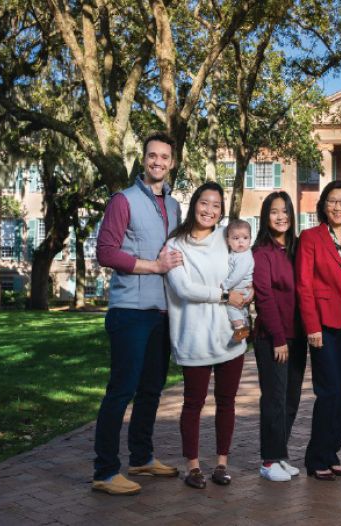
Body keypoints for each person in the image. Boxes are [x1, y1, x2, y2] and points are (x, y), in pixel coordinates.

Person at [92, 131, 183, 495]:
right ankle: (105, 470)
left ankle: (141, 456)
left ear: (172, 162)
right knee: (121, 390)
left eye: (164, 157)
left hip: (161, 312)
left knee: (151, 389)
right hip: (129, 310)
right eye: (152, 156)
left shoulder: (174, 206)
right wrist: (153, 266)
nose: (158, 162)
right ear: (143, 159)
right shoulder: (123, 200)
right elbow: (106, 252)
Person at [164, 182, 250, 489]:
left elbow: (244, 265)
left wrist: (248, 291)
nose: (209, 210)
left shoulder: (226, 239)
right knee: (193, 403)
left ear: (222, 211)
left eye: (216, 205)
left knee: (226, 402)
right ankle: (193, 466)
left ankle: (221, 465)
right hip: (193, 336)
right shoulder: (175, 245)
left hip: (228, 336)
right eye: (204, 203)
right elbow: (183, 289)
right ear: (195, 204)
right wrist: (227, 295)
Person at [296, 181, 341, 481]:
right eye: (333, 201)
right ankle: (316, 456)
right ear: (323, 205)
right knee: (329, 390)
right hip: (322, 323)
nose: (339, 207)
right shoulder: (310, 237)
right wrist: (312, 326)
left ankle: (332, 452)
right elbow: (304, 285)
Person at [252, 191, 307, 482]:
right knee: (274, 398)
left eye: (285, 211)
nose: (280, 216)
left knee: (291, 398)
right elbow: (264, 298)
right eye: (274, 211)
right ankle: (269, 461)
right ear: (266, 215)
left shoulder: (297, 248)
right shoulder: (261, 252)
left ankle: (280, 453)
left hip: (298, 336)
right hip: (273, 338)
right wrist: (278, 338)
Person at [222, 219, 254, 342]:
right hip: (240, 289)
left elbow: (237, 275)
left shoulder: (244, 256)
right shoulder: (234, 254)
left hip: (240, 288)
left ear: (250, 239)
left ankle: (240, 328)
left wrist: (224, 285)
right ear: (228, 240)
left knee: (231, 309)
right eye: (235, 238)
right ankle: (244, 323)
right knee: (240, 310)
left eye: (245, 238)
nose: (241, 241)